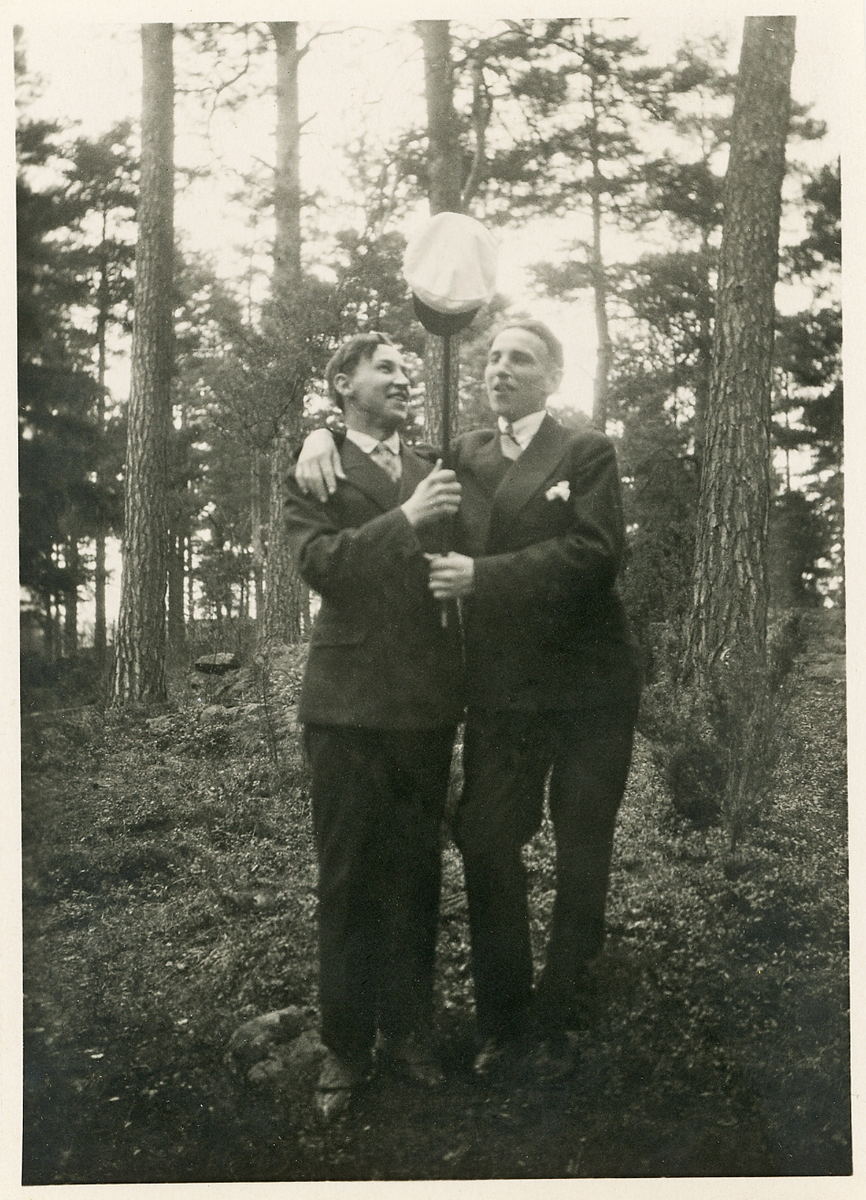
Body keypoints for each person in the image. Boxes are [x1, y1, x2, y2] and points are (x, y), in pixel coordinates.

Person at [296, 319, 641, 1081]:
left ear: (553, 377)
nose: (499, 369)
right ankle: (502, 1021)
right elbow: (371, 466)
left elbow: (596, 553)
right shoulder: (461, 457)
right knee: (486, 840)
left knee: (582, 850)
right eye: (492, 357)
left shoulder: (585, 451)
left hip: (588, 687)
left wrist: (484, 578)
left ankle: (561, 1010)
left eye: (521, 358)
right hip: (501, 694)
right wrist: (321, 433)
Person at [283, 332, 464, 1119]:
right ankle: (347, 1047)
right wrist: (408, 518)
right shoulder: (315, 468)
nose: (402, 377)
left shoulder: (435, 466)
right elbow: (322, 564)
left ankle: (411, 1031)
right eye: (384, 367)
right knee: (350, 876)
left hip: (424, 706)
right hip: (346, 707)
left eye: (406, 367)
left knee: (416, 872)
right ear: (342, 384)